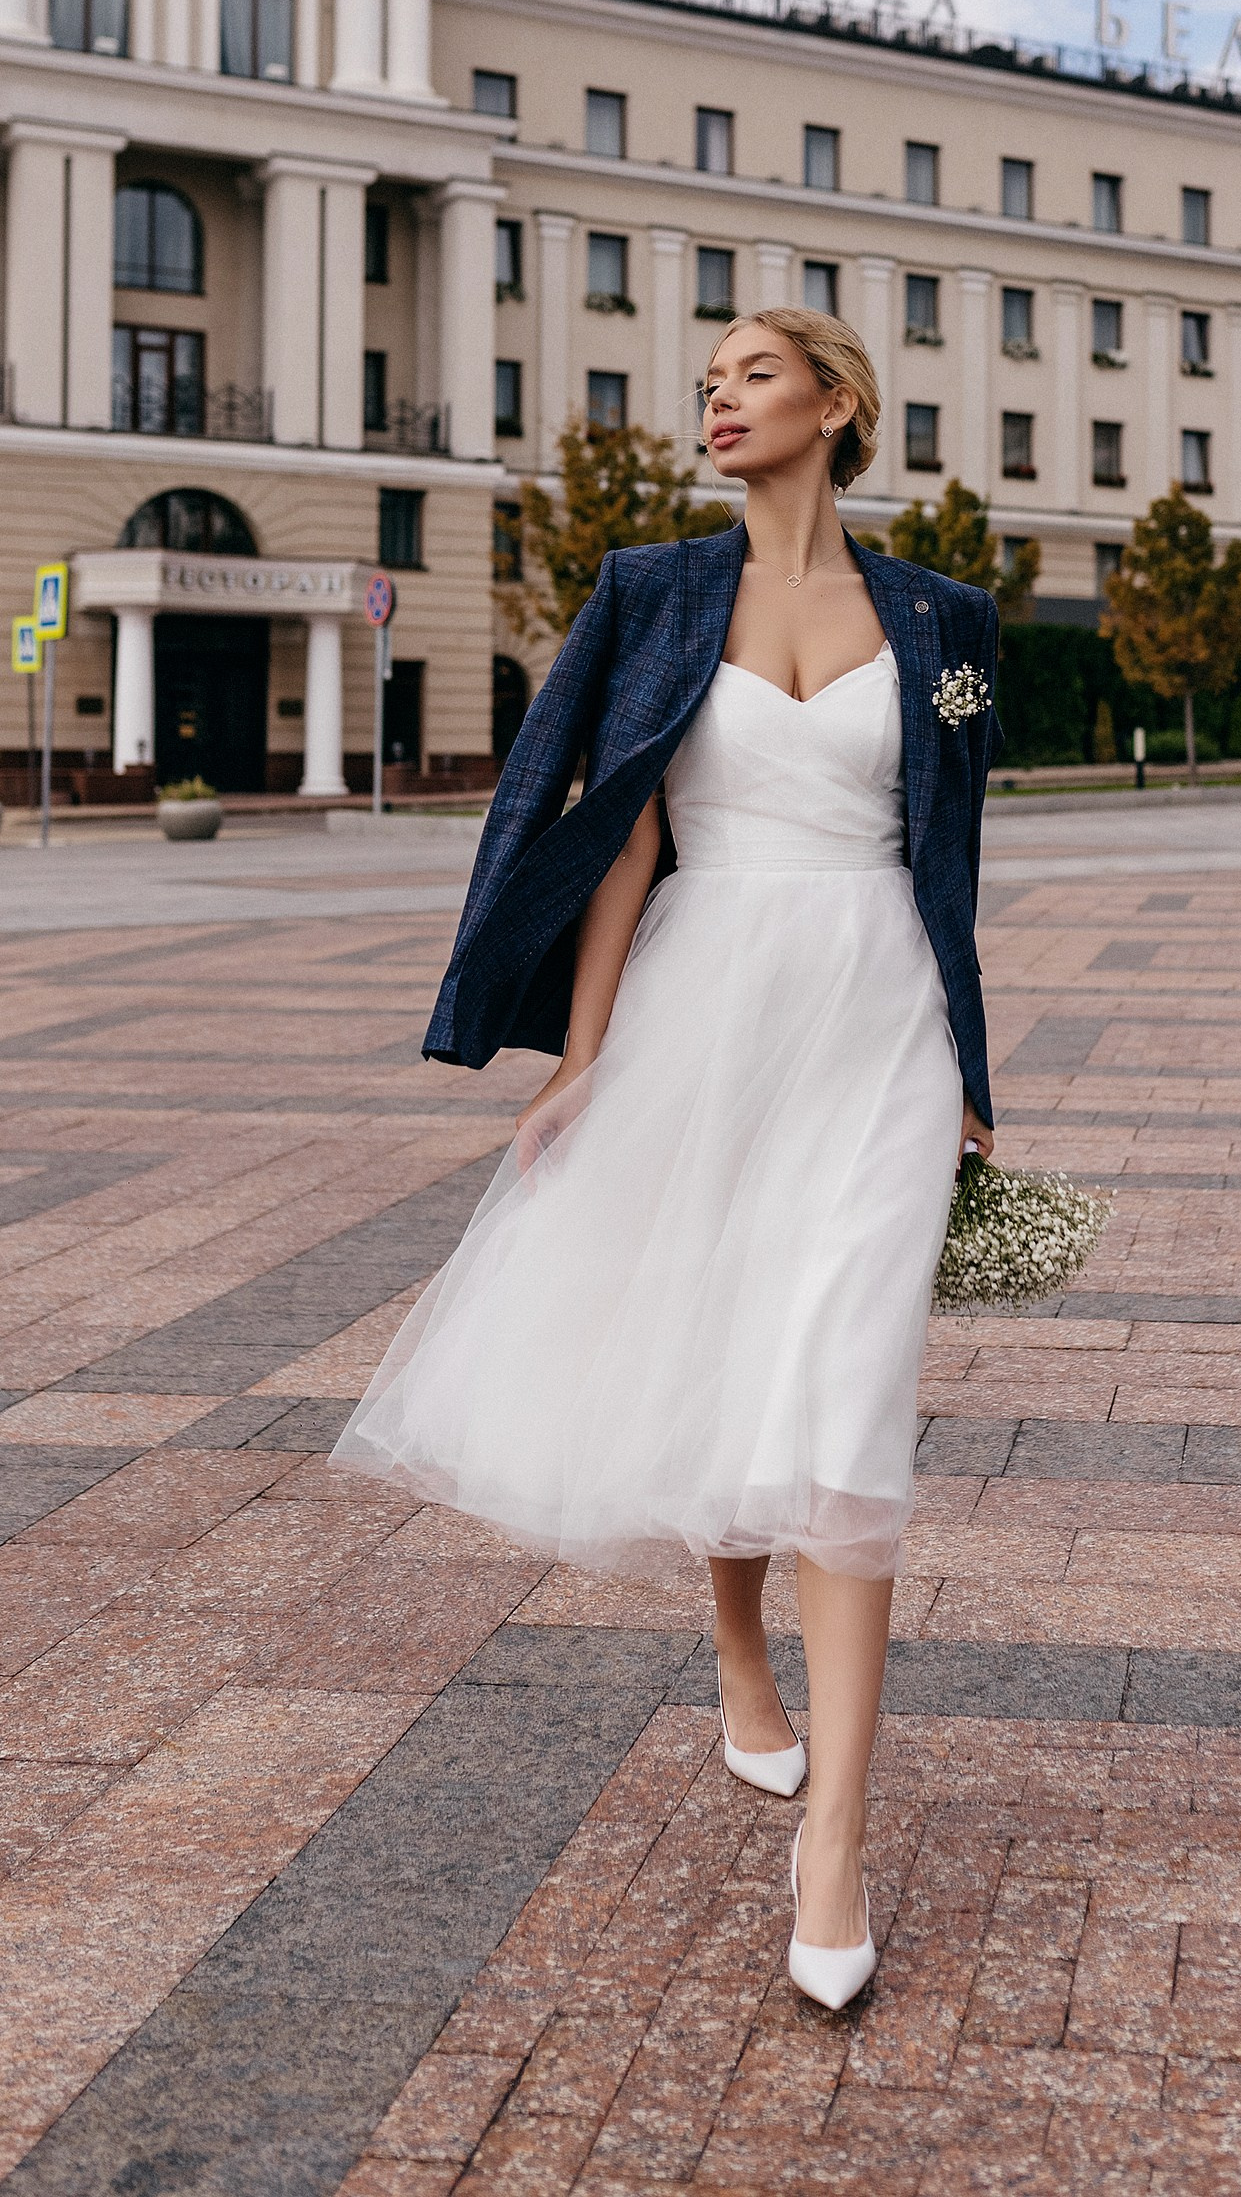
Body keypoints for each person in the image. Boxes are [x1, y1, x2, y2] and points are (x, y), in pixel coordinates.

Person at [333, 308, 1000, 2010]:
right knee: (727, 1334)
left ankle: (835, 1841)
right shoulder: (651, 590)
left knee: (844, 1391)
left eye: (752, 374)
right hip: (708, 1003)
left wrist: (975, 1075)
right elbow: (620, 828)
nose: (718, 397)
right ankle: (735, 1642)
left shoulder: (945, 620)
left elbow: (949, 856)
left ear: (836, 403)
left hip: (880, 1021)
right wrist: (582, 1059)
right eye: (707, 381)